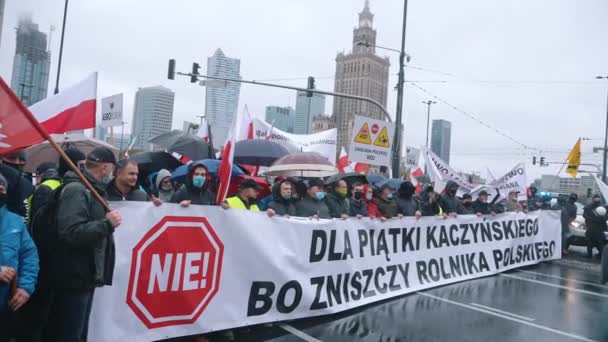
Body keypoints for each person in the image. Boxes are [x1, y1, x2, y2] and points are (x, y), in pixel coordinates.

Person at [46, 147, 122, 342]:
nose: (112, 174)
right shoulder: (77, 190)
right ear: (105, 168)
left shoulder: (93, 190)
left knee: (79, 333)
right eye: (112, 169)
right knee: (70, 334)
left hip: (85, 276)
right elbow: (70, 232)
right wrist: (106, 224)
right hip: (73, 276)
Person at [0, 173, 39, 337]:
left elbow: (29, 256)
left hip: (5, 305)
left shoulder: (15, 221)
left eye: (2, 189)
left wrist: (25, 287)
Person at [0, 153, 34, 217]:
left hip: (19, 224)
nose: (17, 162)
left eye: (21, 160)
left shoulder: (28, 184)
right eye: (11, 158)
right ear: (2, 159)